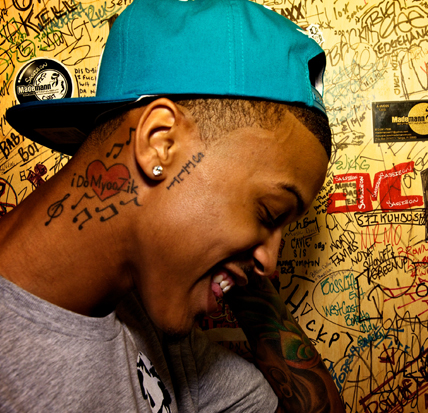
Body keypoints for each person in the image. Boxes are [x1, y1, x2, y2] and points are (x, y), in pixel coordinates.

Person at [0, 0, 344, 412]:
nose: (269, 264)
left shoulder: (152, 318)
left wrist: (230, 261)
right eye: (269, 212)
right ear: (160, 142)